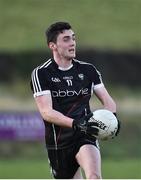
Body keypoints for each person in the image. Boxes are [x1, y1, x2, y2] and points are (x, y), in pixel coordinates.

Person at [30, 22, 120, 179]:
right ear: (53, 45)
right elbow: (46, 112)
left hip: (85, 135)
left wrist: (113, 119)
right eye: (66, 39)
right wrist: (75, 123)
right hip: (58, 143)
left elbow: (108, 101)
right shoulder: (41, 73)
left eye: (73, 38)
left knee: (94, 176)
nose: (72, 43)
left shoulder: (88, 70)